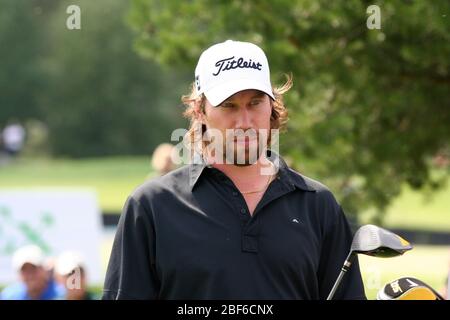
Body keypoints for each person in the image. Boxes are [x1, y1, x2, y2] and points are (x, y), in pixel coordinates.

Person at [103, 40, 366, 300]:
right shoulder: (151, 206)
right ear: (200, 111)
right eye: (228, 105)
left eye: (255, 103)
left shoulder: (318, 205)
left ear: (272, 107)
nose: (244, 122)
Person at [0, 245, 65, 300]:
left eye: (33, 269)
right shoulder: (9, 296)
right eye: (24, 270)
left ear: (44, 269)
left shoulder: (61, 294)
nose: (30, 275)